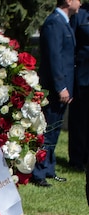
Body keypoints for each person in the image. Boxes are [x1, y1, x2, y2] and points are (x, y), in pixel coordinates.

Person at [32, 0, 81, 187]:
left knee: (55, 128)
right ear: (68, 1)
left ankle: (49, 167)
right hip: (55, 88)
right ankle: (39, 171)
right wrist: (61, 86)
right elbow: (54, 57)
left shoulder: (64, 22)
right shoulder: (54, 22)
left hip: (64, 87)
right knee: (49, 128)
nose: (81, 2)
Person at [69, 3, 89, 169]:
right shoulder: (80, 15)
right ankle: (77, 158)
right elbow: (71, 46)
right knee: (79, 120)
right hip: (82, 76)